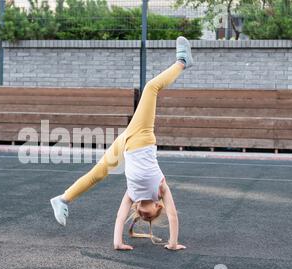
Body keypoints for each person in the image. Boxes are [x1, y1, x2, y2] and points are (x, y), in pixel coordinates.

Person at [51, 36, 193, 251]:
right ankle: (63, 199)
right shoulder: (133, 194)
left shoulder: (157, 190)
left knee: (152, 87)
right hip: (127, 144)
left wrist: (173, 243)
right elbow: (120, 218)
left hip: (137, 138)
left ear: (157, 205)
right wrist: (118, 243)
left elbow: (172, 215)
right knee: (97, 174)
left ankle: (182, 61)